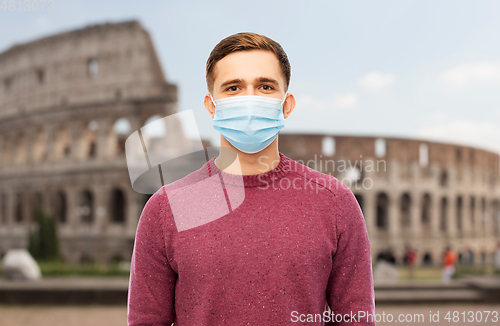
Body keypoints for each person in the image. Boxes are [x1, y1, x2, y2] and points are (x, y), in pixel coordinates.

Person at [127, 32, 376, 325]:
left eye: (265, 86)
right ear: (211, 105)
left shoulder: (334, 203)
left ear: (287, 104)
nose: (249, 99)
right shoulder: (166, 209)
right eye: (233, 88)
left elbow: (357, 319)